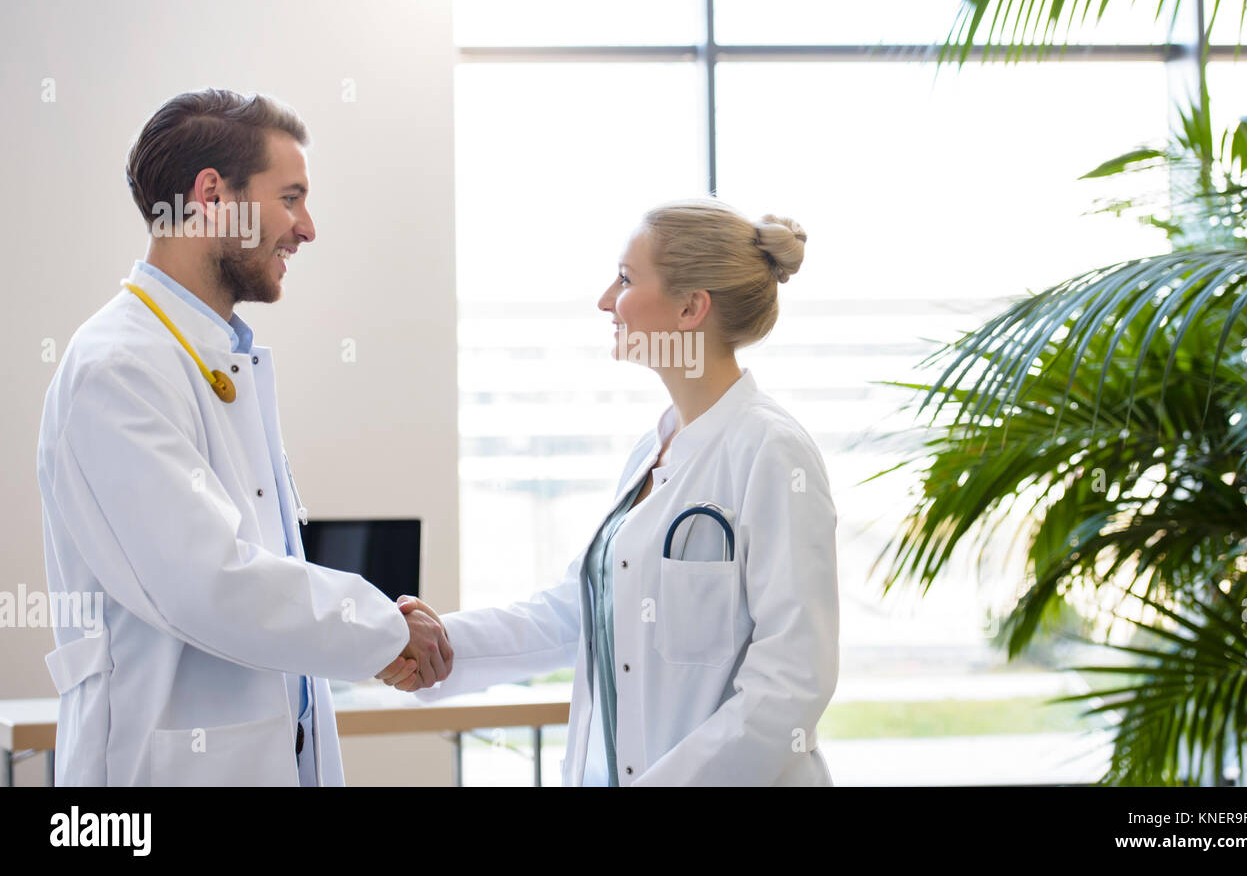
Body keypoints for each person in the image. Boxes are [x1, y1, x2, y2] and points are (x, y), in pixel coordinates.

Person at [37, 88, 451, 786]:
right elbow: (211, 582)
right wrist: (383, 628)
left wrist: (375, 629)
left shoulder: (213, 358)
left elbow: (253, 578)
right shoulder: (118, 366)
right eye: (290, 197)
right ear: (211, 194)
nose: (307, 228)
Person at [392, 198, 839, 785]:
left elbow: (790, 687)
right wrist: (440, 643)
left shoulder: (772, 451)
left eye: (626, 279)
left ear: (690, 307)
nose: (606, 300)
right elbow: (581, 614)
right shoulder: (653, 451)